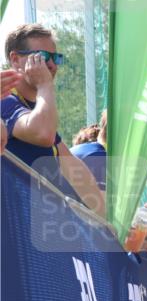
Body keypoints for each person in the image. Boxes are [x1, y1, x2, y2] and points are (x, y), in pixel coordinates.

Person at [2, 24, 104, 216]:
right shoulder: (5, 101)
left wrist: (111, 223)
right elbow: (43, 133)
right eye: (42, 57)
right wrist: (45, 84)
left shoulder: (34, 109)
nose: (52, 65)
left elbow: (74, 169)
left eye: (55, 58)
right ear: (15, 59)